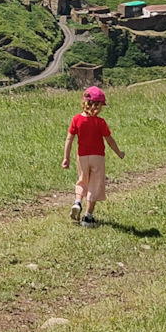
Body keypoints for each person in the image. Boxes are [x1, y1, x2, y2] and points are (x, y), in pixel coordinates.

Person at [62, 85, 124, 226]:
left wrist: (66, 158)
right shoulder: (100, 122)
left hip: (82, 157)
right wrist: (119, 153)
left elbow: (69, 139)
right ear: (97, 105)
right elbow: (109, 140)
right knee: (95, 185)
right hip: (98, 157)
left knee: (82, 180)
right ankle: (88, 217)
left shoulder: (76, 119)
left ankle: (77, 202)